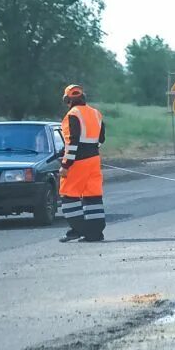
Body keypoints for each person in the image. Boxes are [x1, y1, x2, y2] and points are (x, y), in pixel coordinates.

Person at [58, 84, 106, 243]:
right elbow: (101, 140)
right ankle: (95, 233)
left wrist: (65, 165)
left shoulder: (73, 114)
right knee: (93, 196)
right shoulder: (96, 113)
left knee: (68, 195)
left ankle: (77, 230)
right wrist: (91, 151)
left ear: (67, 100)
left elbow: (72, 142)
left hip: (78, 161)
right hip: (94, 160)